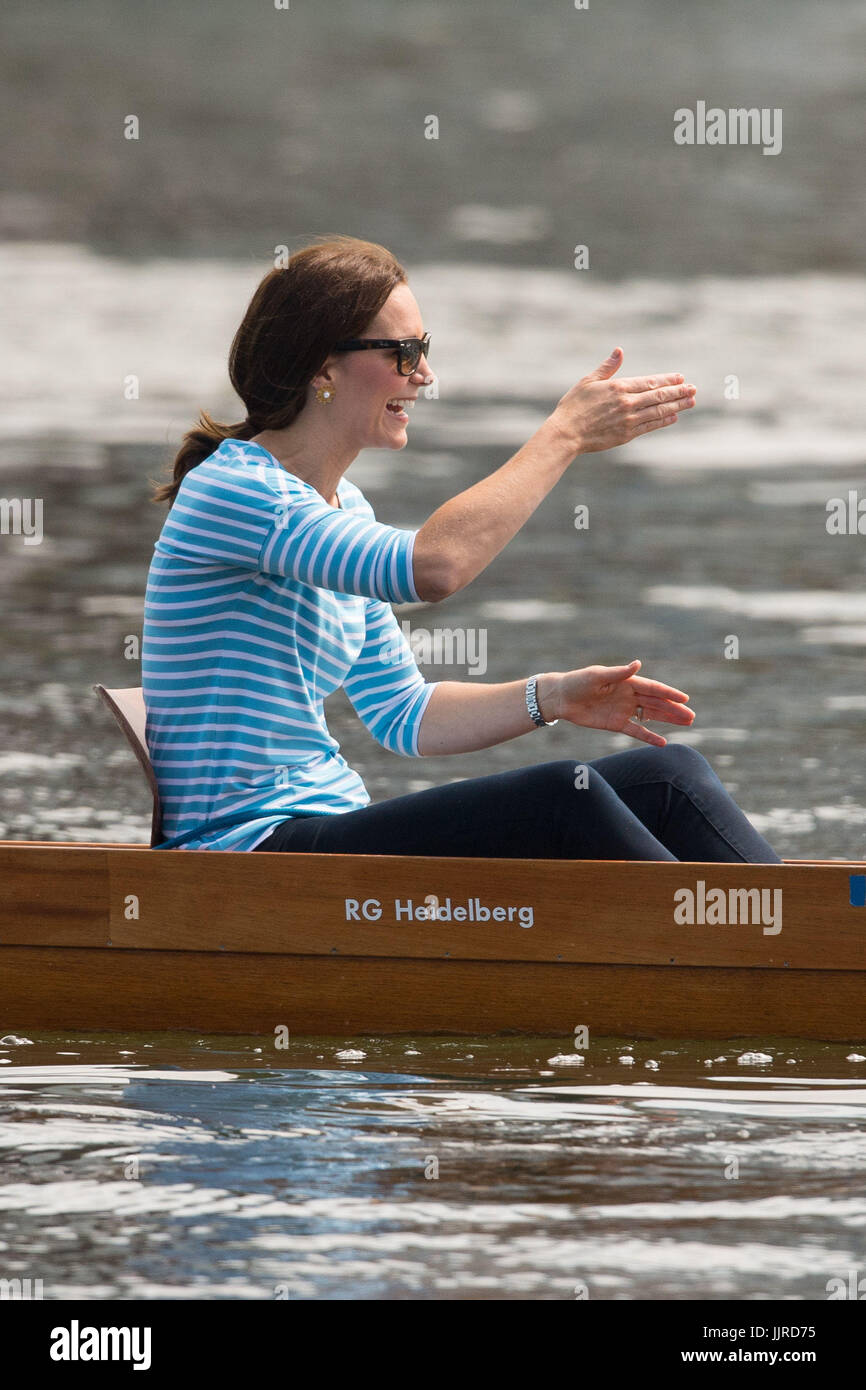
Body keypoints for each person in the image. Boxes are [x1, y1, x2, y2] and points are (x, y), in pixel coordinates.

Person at [143, 234, 781, 864]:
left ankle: (795, 939)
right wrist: (563, 435)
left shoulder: (343, 509)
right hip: (240, 853)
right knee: (562, 796)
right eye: (404, 351)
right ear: (323, 367)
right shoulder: (236, 492)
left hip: (325, 832)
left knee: (672, 778)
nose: (424, 374)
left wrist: (553, 695)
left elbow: (405, 713)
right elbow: (434, 568)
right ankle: (735, 952)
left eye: (424, 349)